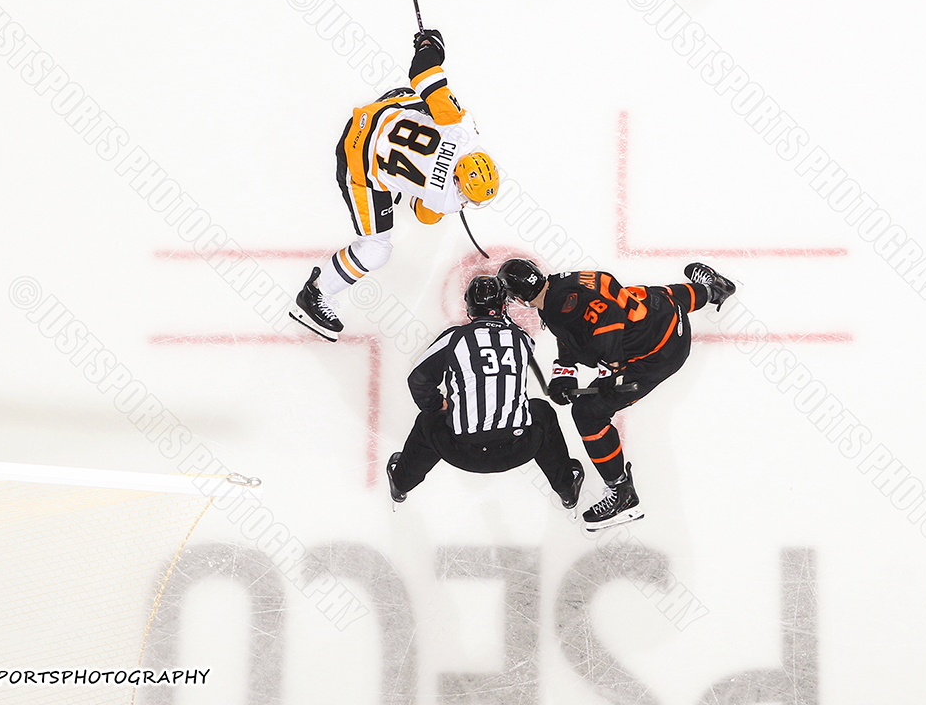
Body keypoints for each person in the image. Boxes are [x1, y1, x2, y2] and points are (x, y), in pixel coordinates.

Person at [288, 29, 500, 342]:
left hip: (377, 114)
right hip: (357, 161)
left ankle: (400, 114)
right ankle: (314, 294)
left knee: (427, 100)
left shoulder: (464, 129)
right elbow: (423, 213)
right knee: (376, 249)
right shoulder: (445, 200)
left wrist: (431, 47)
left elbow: (422, 72)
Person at [496, 258, 736, 531]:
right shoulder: (562, 283)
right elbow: (587, 312)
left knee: (587, 414)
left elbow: (607, 316)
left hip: (662, 353)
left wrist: (611, 369)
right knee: (648, 297)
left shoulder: (558, 309)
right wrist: (565, 370)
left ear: (517, 297)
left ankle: (623, 494)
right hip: (668, 312)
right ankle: (712, 289)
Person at [386, 276, 585, 515]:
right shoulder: (520, 338)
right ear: (503, 307)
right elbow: (522, 343)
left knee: (429, 421)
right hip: (518, 447)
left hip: (462, 451)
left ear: (469, 307)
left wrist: (439, 404)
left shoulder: (454, 338)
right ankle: (566, 489)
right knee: (542, 413)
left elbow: (418, 380)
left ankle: (401, 484)